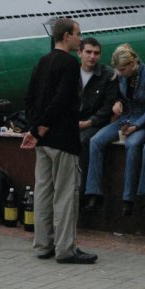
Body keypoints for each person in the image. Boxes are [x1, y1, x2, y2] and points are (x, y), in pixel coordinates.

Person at [21, 18, 97, 264]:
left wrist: (35, 129)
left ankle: (43, 244)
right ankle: (66, 248)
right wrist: (42, 127)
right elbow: (62, 100)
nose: (80, 39)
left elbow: (30, 98)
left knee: (43, 191)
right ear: (66, 36)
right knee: (65, 195)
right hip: (63, 138)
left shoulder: (42, 61)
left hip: (43, 142)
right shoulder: (70, 63)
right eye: (78, 34)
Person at [83, 43, 145, 217]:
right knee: (96, 141)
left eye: (123, 69)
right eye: (118, 70)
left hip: (142, 121)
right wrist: (118, 103)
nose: (120, 73)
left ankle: (128, 198)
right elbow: (119, 96)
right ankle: (94, 193)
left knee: (133, 144)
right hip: (125, 118)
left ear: (132, 63)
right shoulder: (121, 77)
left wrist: (136, 126)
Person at [76, 37, 119, 195]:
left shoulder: (108, 75)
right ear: (79, 53)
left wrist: (88, 123)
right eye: (88, 52)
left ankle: (85, 192)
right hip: (75, 122)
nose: (92, 56)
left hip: (97, 123)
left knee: (84, 140)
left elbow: (107, 108)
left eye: (96, 53)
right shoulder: (72, 73)